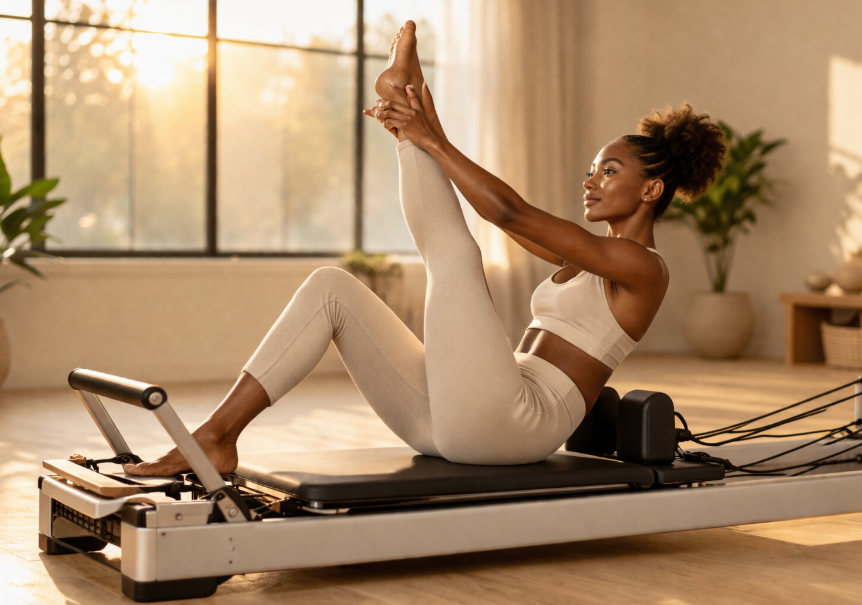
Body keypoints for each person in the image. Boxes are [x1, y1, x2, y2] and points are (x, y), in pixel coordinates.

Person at [125, 21, 726, 475]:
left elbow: (509, 210)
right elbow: (502, 218)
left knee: (456, 259)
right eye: (593, 169)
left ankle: (404, 111)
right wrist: (427, 132)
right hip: (459, 418)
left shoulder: (642, 269)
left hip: (519, 422)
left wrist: (431, 140)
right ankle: (217, 436)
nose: (591, 180)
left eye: (609, 171)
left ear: (651, 189)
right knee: (332, 289)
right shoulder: (589, 258)